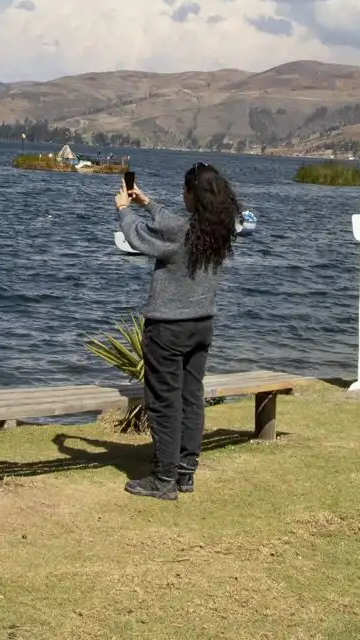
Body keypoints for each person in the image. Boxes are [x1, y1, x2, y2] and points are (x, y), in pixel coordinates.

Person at [113, 161, 240, 501]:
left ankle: (163, 478)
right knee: (190, 397)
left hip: (167, 329)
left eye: (185, 191)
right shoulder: (219, 227)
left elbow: (138, 237)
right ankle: (185, 472)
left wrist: (124, 210)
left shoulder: (180, 231)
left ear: (192, 195)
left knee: (164, 403)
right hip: (202, 325)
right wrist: (148, 203)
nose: (182, 196)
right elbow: (173, 223)